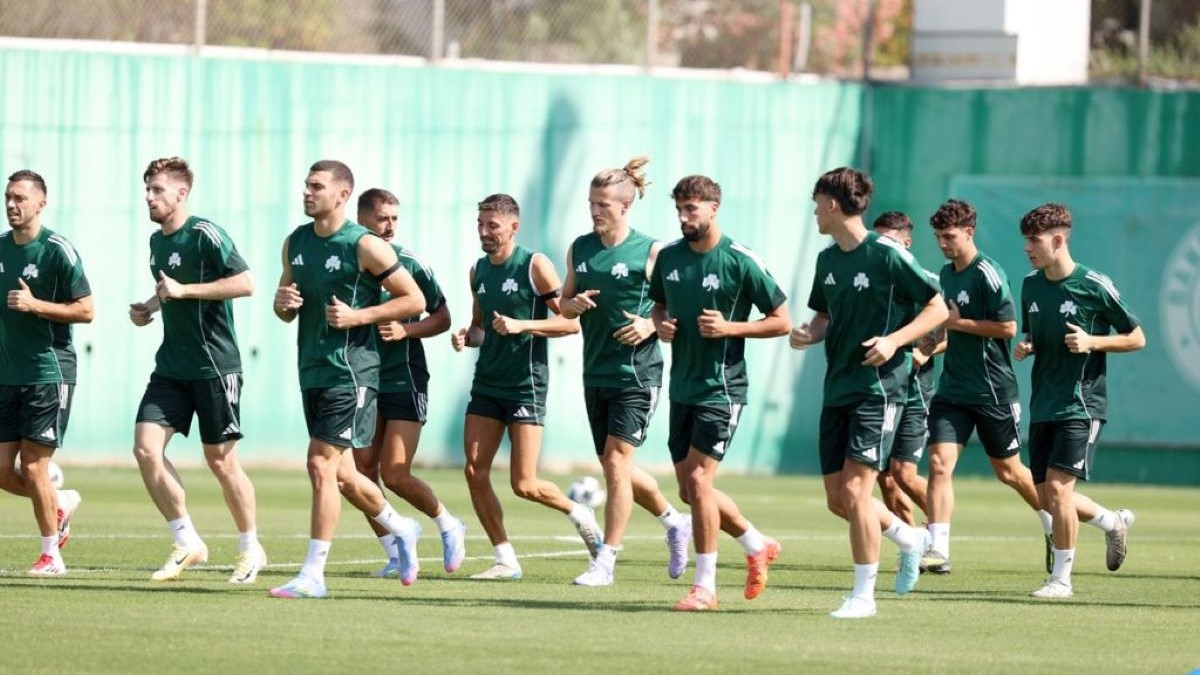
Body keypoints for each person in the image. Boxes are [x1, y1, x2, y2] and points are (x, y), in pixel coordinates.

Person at [269, 160, 426, 599]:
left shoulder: (366, 245)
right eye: (306, 185)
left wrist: (359, 316)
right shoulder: (295, 242)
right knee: (343, 475)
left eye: (316, 186)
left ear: (341, 195)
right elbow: (285, 311)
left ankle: (313, 575)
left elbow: (413, 299)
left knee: (319, 464)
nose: (307, 192)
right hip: (312, 370)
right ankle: (402, 528)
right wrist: (283, 303)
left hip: (351, 371)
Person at [790, 167, 943, 619]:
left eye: (817, 204)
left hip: (879, 390)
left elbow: (937, 307)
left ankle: (863, 596)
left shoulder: (887, 254)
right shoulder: (827, 260)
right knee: (838, 499)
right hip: (837, 387)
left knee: (858, 492)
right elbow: (823, 317)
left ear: (832, 204)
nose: (814, 213)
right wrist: (809, 333)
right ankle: (909, 537)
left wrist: (895, 341)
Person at [648, 175, 791, 612]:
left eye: (691, 208)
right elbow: (658, 307)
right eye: (679, 209)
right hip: (682, 388)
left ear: (714, 208)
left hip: (722, 388)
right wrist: (661, 325)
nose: (683, 217)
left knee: (698, 481)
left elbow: (782, 320)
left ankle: (705, 588)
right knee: (691, 491)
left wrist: (731, 328)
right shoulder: (669, 257)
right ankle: (756, 543)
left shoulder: (739, 260)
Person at [128, 157, 266, 583]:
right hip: (172, 366)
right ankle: (187, 540)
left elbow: (246, 283)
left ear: (181, 193)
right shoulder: (156, 242)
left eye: (157, 190)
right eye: (147, 189)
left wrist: (184, 290)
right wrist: (149, 307)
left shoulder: (206, 234)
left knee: (220, 461)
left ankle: (251, 548)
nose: (149, 197)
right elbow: (169, 291)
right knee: (146, 449)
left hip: (214, 366)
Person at [452, 193, 602, 580]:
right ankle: (505, 558)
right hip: (487, 383)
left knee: (524, 483)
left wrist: (522, 325)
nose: (484, 232)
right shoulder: (477, 271)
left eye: (493, 226)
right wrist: (466, 337)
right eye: (481, 225)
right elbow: (481, 329)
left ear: (514, 227)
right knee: (474, 471)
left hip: (525, 385)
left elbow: (570, 323)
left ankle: (578, 512)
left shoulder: (534, 265)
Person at [559, 158, 692, 587]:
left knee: (616, 463)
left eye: (603, 204)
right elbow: (564, 304)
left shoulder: (652, 252)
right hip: (595, 371)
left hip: (637, 374)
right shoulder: (580, 248)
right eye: (591, 203)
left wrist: (651, 325)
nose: (595, 211)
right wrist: (573, 305)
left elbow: (677, 308)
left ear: (625, 206)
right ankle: (674, 521)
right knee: (615, 465)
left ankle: (606, 561)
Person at [1015, 203, 1143, 599]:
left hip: (1081, 405)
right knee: (1047, 496)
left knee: (1057, 492)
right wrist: (1029, 346)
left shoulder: (1094, 285)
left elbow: (1136, 337)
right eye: (1026, 241)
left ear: (1058, 240)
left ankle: (1061, 581)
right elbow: (1037, 334)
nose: (1027, 248)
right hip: (1043, 404)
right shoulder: (1030, 284)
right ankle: (1111, 522)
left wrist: (1092, 341)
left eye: (1034, 241)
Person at [921, 198, 1054, 574]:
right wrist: (934, 337)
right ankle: (938, 550)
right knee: (938, 464)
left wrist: (956, 323)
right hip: (953, 391)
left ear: (968, 232)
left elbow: (1008, 328)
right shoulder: (946, 275)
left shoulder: (988, 273)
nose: (942, 243)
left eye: (949, 236)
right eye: (938, 237)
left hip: (993, 391)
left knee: (1009, 472)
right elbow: (947, 323)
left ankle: (1051, 522)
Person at [351, 188, 466, 578]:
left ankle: (448, 523)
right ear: (362, 219)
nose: (390, 226)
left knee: (396, 473)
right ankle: (396, 551)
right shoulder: (349, 261)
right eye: (382, 218)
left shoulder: (410, 264)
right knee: (361, 472)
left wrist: (407, 330)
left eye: (395, 218)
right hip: (361, 378)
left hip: (404, 377)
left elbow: (443, 317)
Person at [0, 169, 91, 576]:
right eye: (8, 197)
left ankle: (51, 555)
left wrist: (35, 305)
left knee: (35, 465)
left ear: (41, 203)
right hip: (8, 373)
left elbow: (86, 310)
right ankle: (60, 501)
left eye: (20, 198)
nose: (11, 205)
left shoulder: (57, 251)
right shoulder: (1, 248)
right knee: (2, 470)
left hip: (48, 372)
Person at [869, 212, 934, 527]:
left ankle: (940, 532)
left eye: (888, 240)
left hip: (914, 391)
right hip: (881, 390)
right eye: (876, 239)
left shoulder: (924, 280)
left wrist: (925, 350)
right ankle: (913, 543)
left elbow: (948, 329)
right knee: (884, 476)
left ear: (906, 243)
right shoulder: (872, 283)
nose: (881, 247)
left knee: (904, 472)